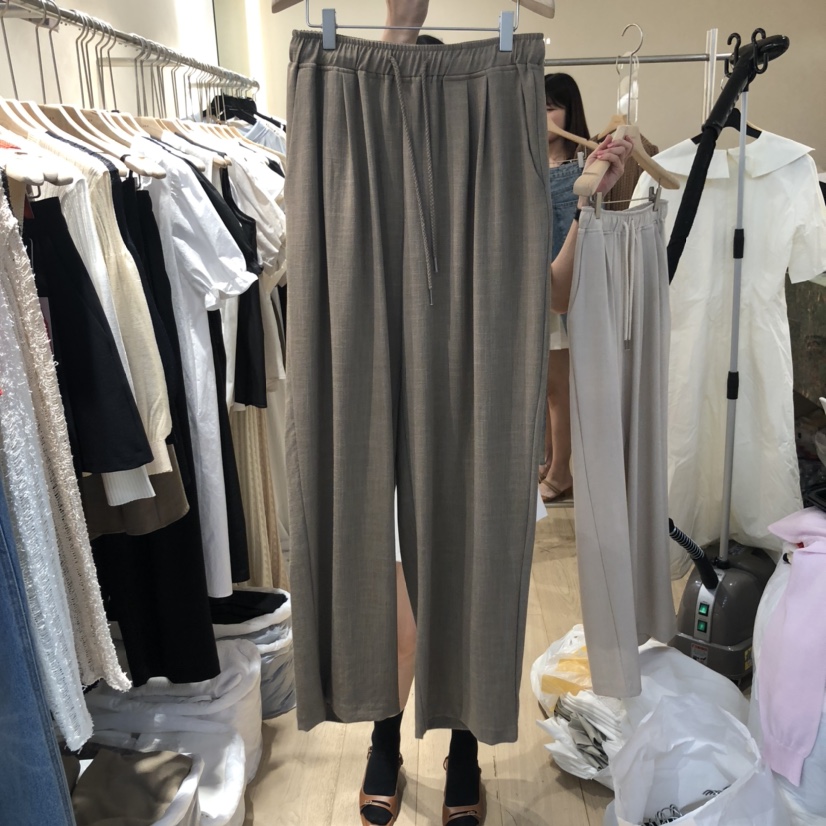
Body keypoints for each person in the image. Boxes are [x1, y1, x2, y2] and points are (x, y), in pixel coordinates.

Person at [354, 5, 634, 826]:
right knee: (404, 612)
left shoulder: (501, 190)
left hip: (483, 419)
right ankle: (384, 738)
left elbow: (554, 293)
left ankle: (466, 751)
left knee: (474, 596)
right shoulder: (375, 191)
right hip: (396, 419)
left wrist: (594, 202)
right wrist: (397, 31)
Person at [539, 73, 591, 504]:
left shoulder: (583, 168)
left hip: (566, 291)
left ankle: (561, 473)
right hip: (539, 286)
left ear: (570, 111)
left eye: (551, 107)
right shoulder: (532, 162)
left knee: (558, 388)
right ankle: (550, 459)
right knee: (545, 386)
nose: (543, 117)